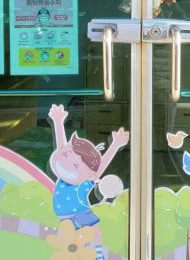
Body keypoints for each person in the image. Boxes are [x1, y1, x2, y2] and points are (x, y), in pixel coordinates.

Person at [48, 104, 129, 260]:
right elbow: (61, 146)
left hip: (82, 213)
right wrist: (58, 122)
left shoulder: (85, 181)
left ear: (89, 173)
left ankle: (98, 255)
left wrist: (115, 145)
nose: (65, 162)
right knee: (69, 244)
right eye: (65, 156)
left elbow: (101, 166)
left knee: (94, 235)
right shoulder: (65, 177)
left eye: (75, 166)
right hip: (65, 219)